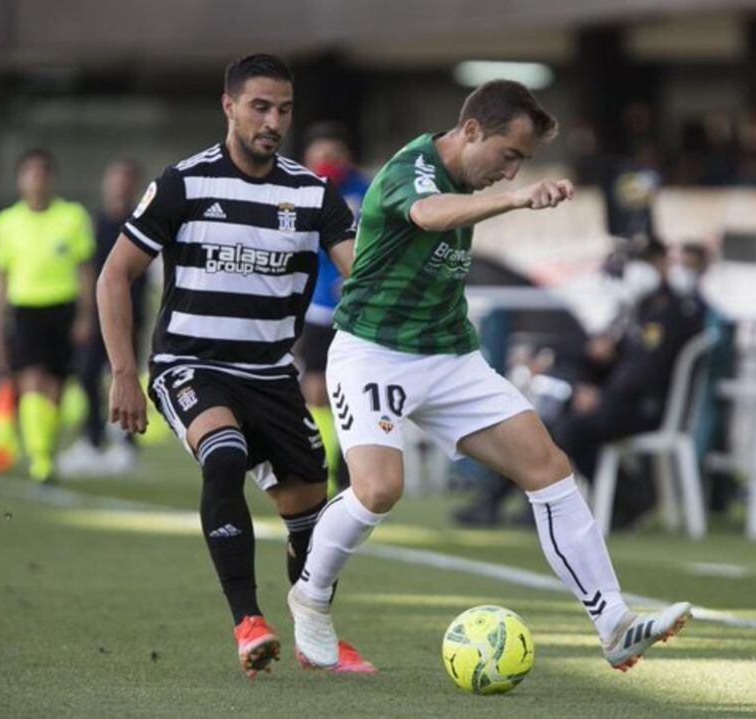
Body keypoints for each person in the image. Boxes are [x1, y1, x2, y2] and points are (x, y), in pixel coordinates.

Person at [288, 80, 692, 673]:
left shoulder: (466, 176)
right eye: (509, 155)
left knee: (548, 467)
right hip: (373, 351)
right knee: (378, 490)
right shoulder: (411, 168)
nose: (510, 172)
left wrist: (510, 191)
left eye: (521, 163)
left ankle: (614, 623)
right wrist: (517, 199)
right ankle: (311, 597)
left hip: (450, 356)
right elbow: (427, 214)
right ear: (472, 130)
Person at [96, 53, 373, 677]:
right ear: (229, 106)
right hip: (190, 364)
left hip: (272, 375)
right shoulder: (183, 183)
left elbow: (361, 276)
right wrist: (124, 373)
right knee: (223, 454)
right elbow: (114, 276)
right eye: (260, 107)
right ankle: (249, 622)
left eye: (284, 109)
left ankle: (314, 638)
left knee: (311, 516)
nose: (273, 121)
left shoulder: (311, 193)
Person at [552, 239, 707, 487]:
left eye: (645, 262)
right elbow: (599, 351)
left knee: (572, 430)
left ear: (663, 264)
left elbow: (647, 371)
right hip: (623, 401)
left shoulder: (670, 312)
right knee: (555, 416)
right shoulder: (637, 309)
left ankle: (627, 497)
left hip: (646, 407)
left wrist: (602, 396)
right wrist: (585, 382)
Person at [0, 149, 95, 483]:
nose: (37, 178)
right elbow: (1, 279)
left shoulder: (73, 217)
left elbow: (86, 272)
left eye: (43, 172)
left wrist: (85, 316)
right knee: (31, 378)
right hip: (26, 311)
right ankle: (41, 459)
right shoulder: (6, 223)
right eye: (30, 172)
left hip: (63, 309)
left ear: (53, 178)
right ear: (20, 180)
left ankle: (45, 448)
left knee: (56, 387)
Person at [60, 160, 147, 475]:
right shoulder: (94, 224)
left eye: (125, 180)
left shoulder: (143, 222)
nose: (119, 186)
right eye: (114, 179)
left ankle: (126, 442)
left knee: (125, 374)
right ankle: (94, 438)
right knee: (87, 373)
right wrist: (83, 313)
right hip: (97, 313)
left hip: (130, 312)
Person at [298, 122, 370, 493]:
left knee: (354, 390)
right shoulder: (299, 189)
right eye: (320, 156)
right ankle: (320, 463)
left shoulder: (365, 190)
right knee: (315, 388)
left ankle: (347, 466)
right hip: (316, 308)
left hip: (358, 311)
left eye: (334, 155)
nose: (327, 162)